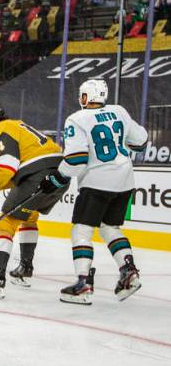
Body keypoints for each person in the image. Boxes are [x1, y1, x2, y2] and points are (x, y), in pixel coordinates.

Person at [0, 101, 67, 299]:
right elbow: (18, 173)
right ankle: (25, 269)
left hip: (38, 173)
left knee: (6, 221)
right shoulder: (17, 125)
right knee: (29, 216)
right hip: (59, 176)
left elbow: (8, 164)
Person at [57, 79, 147, 304]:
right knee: (110, 228)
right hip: (125, 180)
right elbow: (142, 141)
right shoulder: (119, 111)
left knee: (81, 231)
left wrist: (59, 175)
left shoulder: (77, 119)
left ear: (85, 97)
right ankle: (129, 271)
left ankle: (83, 283)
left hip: (97, 181)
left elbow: (77, 160)